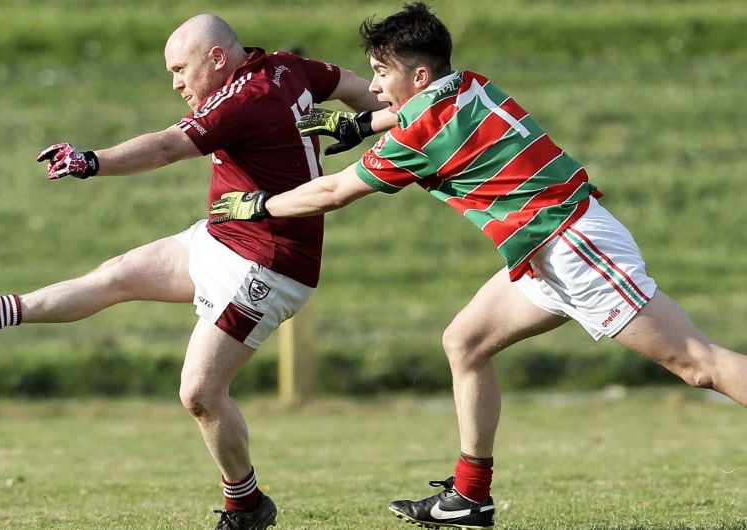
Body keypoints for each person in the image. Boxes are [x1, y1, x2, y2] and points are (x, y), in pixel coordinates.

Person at [209, 3, 747, 528]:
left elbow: (332, 191)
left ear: (419, 74)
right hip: (547, 251)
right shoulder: (467, 83)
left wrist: (260, 205)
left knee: (698, 365)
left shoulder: (421, 136)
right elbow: (410, 111)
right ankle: (470, 498)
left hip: (573, 246)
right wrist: (362, 126)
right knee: (465, 342)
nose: (372, 85)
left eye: (380, 73)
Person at [0, 13, 384, 530]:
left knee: (199, 394)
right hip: (225, 236)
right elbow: (354, 87)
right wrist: (377, 122)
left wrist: (90, 161)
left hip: (268, 264)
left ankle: (247, 505)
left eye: (180, 70)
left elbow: (164, 147)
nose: (176, 83)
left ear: (217, 59)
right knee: (116, 275)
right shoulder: (286, 68)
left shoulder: (240, 100)